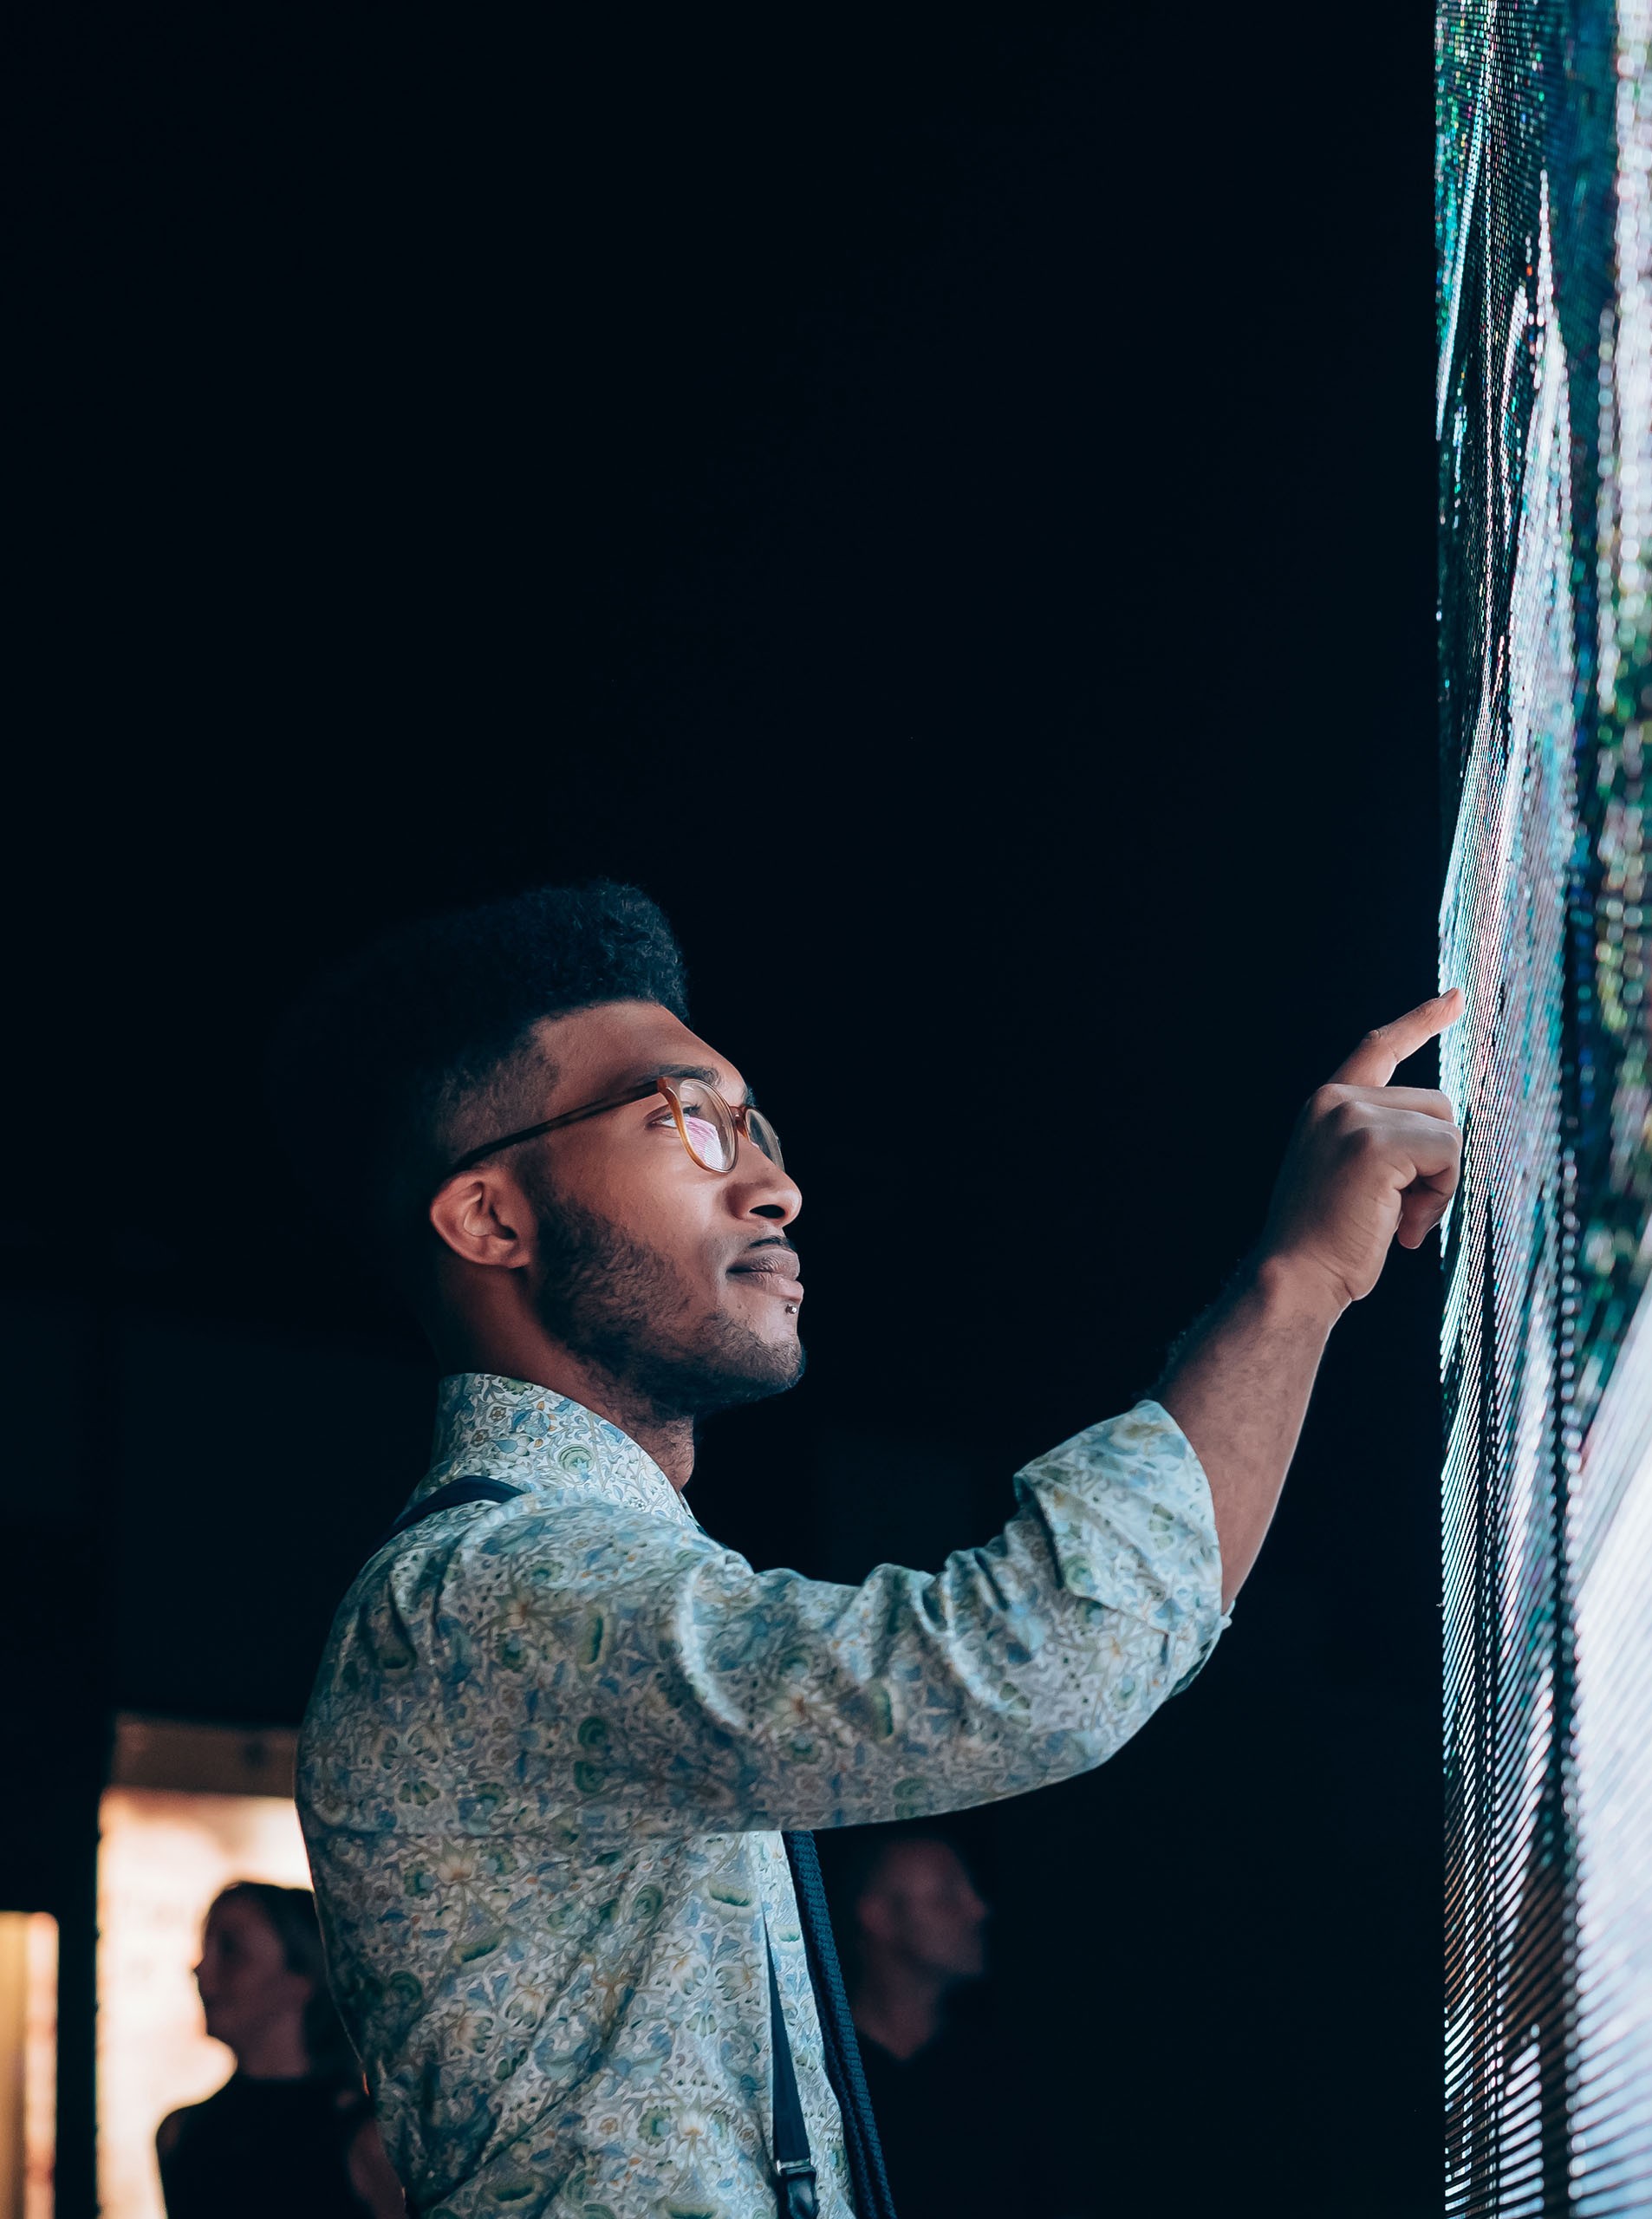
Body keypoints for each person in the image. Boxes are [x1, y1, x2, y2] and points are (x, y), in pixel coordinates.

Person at [280, 882, 1460, 2218]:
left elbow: (1087, 1657)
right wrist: (1299, 1277)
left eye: (755, 1125)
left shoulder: (577, 1577)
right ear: (491, 1219)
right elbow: (1038, 1667)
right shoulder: (479, 1592)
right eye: (687, 1122)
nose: (775, 1184)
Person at [826, 1832, 1054, 2214]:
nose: (979, 1910)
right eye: (947, 1896)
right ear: (878, 1917)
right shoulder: (822, 2074)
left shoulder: (1002, 2072)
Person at [156, 1883, 408, 2219]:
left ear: (302, 1979)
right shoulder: (177, 2131)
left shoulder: (370, 2143)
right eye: (206, 1947)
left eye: (230, 1950)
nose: (199, 1969)